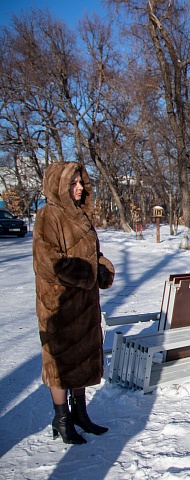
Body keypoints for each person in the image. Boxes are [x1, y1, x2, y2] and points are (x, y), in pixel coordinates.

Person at [33, 162, 115, 445]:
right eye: (73, 184)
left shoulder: (81, 215)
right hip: (59, 304)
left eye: (81, 183)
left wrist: (103, 267)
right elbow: (49, 263)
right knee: (60, 364)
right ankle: (62, 418)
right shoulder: (49, 215)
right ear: (59, 186)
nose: (80, 188)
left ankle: (81, 414)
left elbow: (94, 254)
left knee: (80, 359)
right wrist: (90, 273)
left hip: (85, 304)